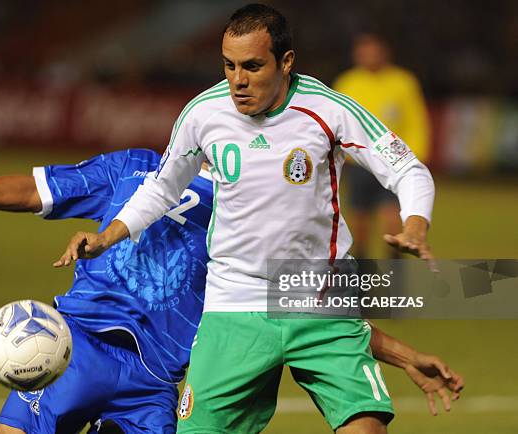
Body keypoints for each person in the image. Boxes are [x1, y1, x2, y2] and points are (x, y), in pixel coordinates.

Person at [55, 4, 442, 434]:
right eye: (229, 66)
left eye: (253, 66)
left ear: (286, 62)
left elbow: (407, 168)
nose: (238, 80)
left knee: (366, 428)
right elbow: (162, 187)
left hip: (318, 300)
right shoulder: (203, 113)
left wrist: (415, 222)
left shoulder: (328, 110)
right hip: (232, 304)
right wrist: (108, 236)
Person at [0, 149, 462, 434]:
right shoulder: (131, 169)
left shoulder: (249, 221)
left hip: (156, 386)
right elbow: (37, 190)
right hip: (75, 347)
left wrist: (406, 354)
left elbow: (312, 314)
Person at [334, 33, 432, 259]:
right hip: (358, 164)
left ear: (384, 53)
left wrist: (416, 156)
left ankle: (393, 275)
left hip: (393, 161)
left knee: (391, 221)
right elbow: (336, 123)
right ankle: (362, 280)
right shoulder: (347, 82)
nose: (368, 56)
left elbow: (416, 121)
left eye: (373, 51)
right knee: (359, 225)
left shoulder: (403, 82)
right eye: (363, 52)